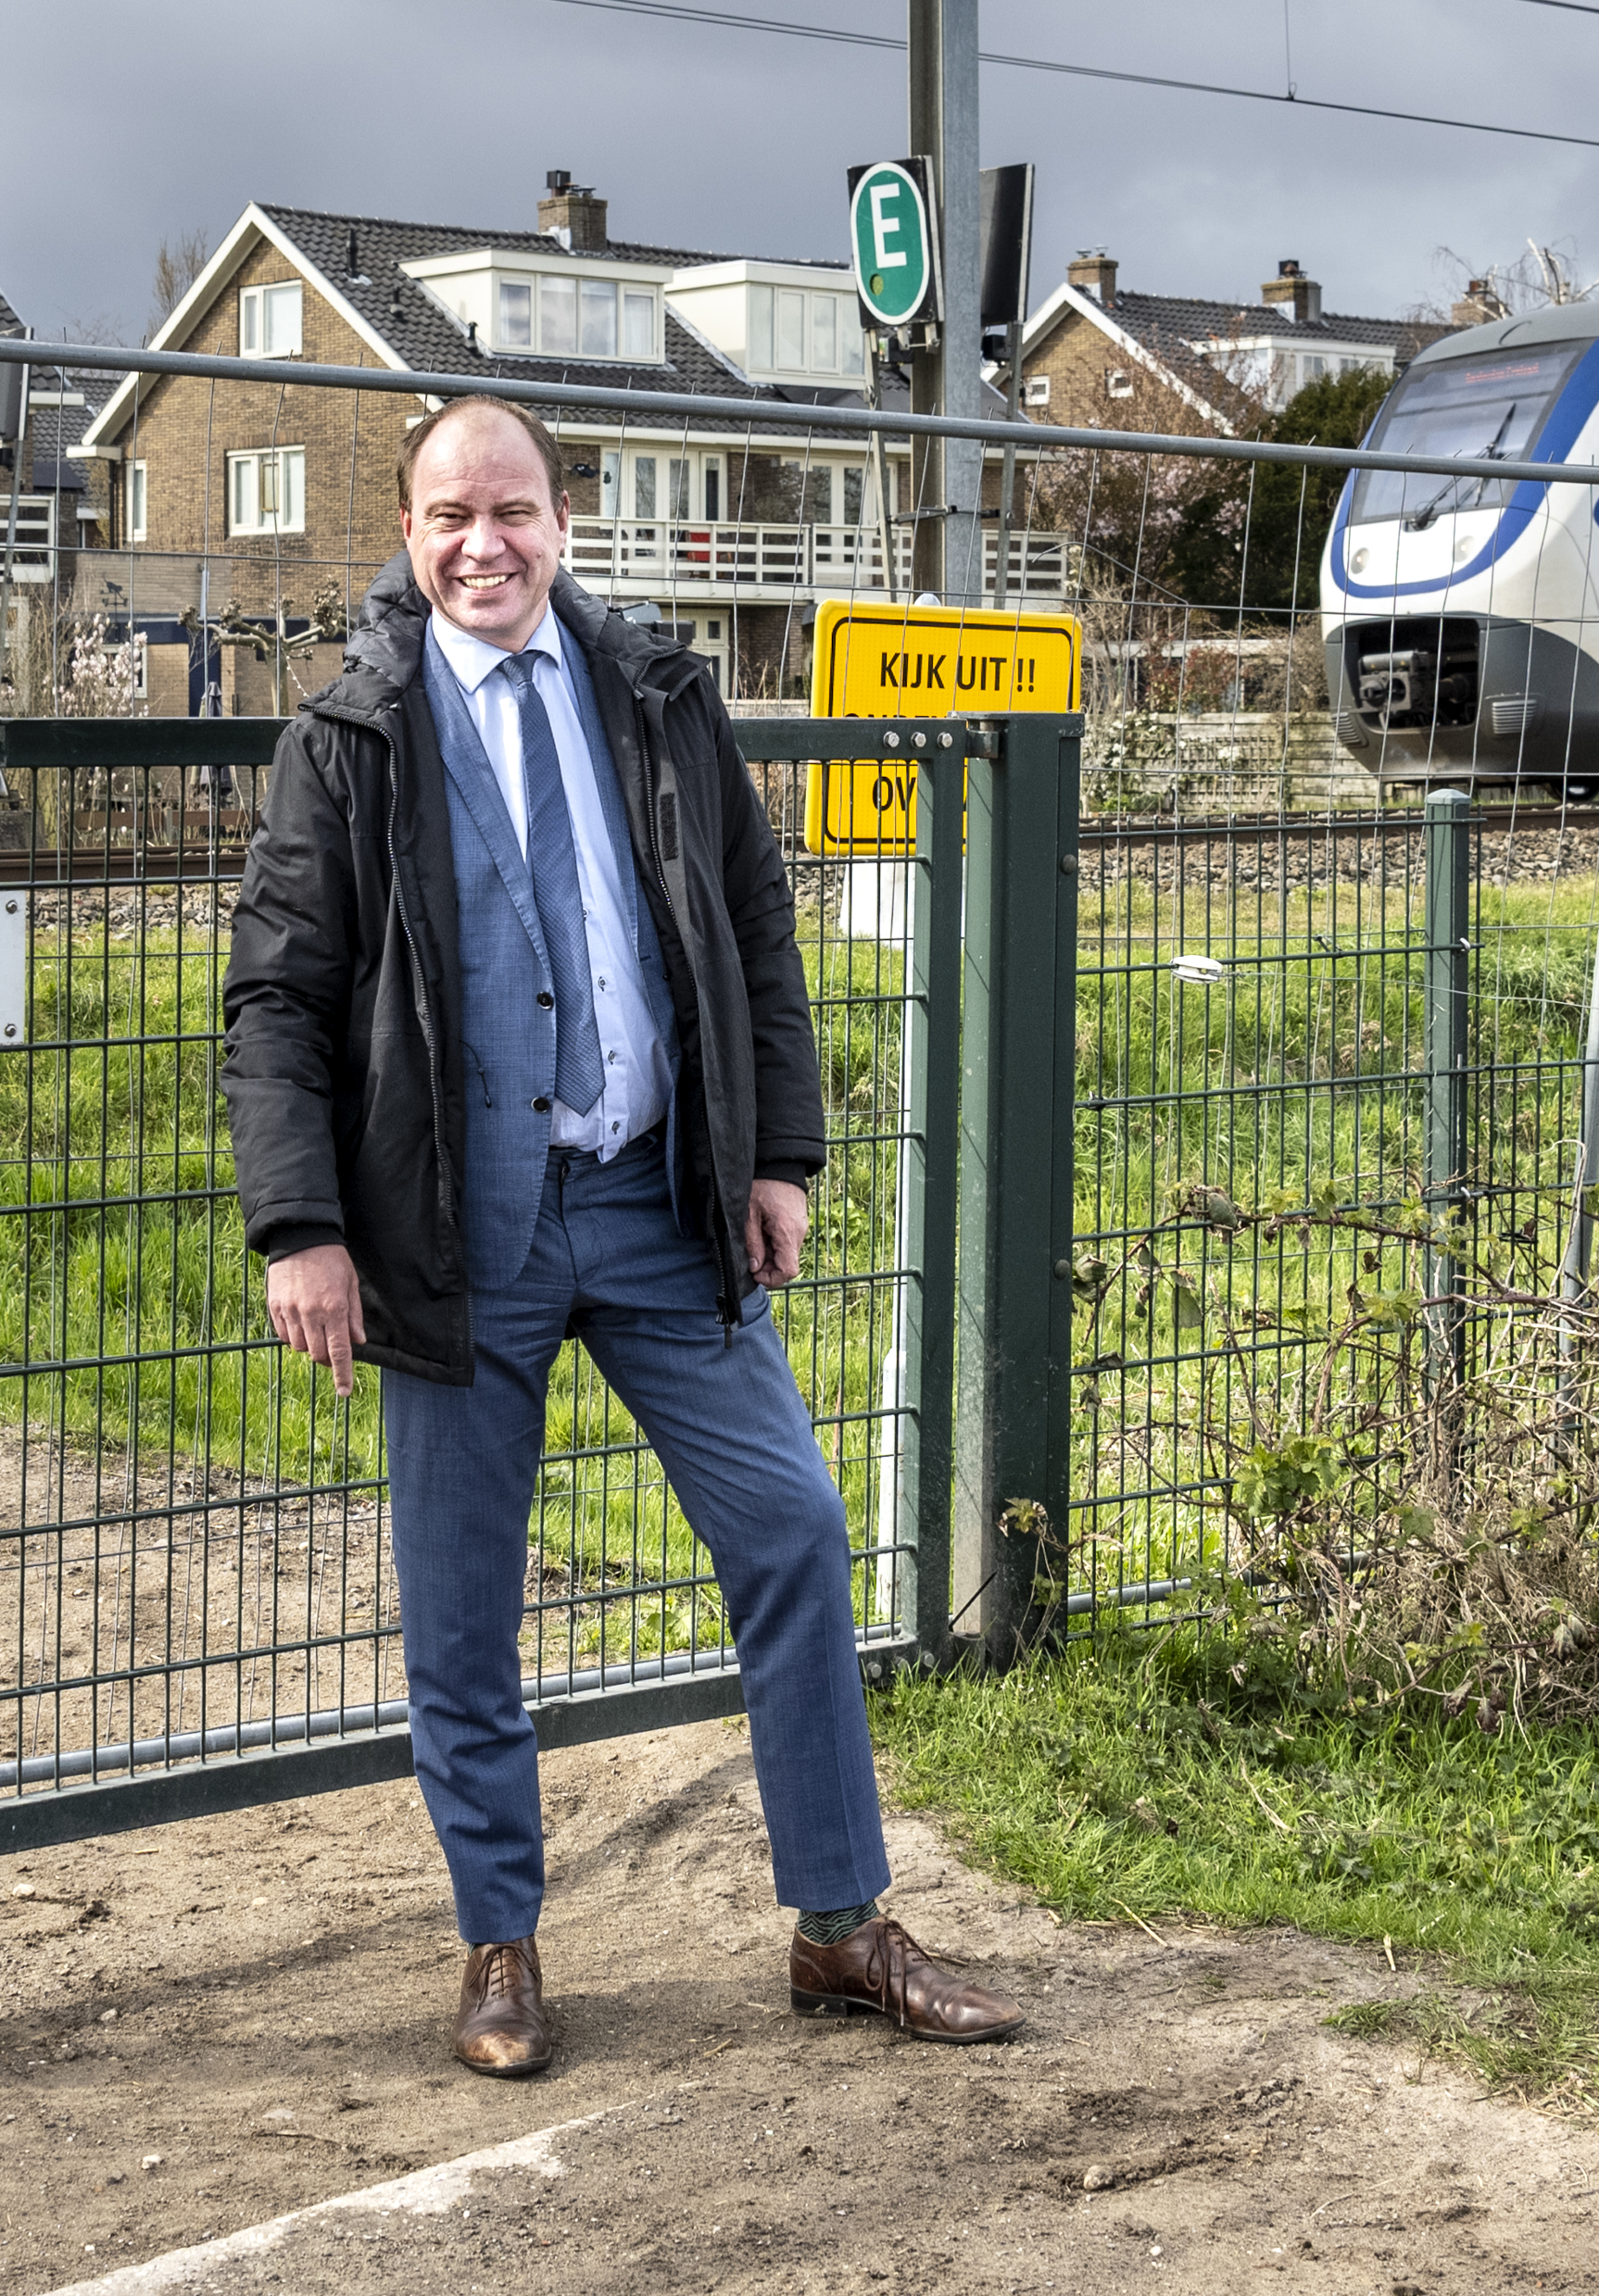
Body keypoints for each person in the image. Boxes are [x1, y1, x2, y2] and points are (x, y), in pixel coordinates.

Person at [224, 393, 1023, 2076]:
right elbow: (278, 996)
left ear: (561, 518)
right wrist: (302, 1223)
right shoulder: (351, 735)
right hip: (455, 1231)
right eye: (448, 515)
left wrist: (778, 1154)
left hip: (659, 1202)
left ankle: (839, 1925)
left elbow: (750, 925)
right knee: (460, 1609)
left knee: (795, 1530)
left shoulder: (655, 695)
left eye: (509, 508)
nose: (481, 543)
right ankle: (499, 1944)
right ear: (410, 529)